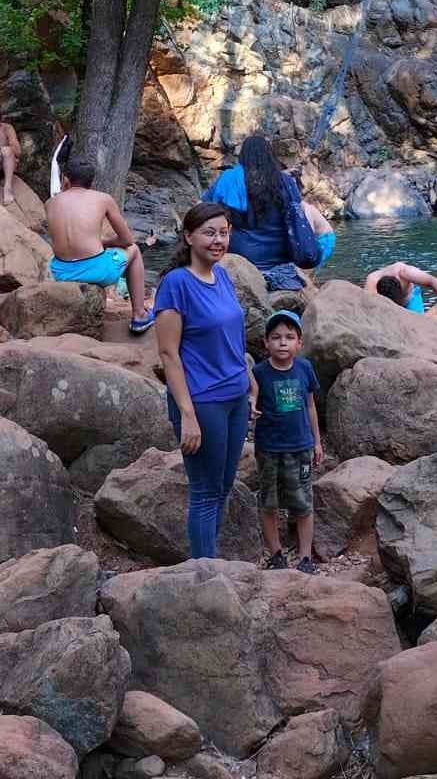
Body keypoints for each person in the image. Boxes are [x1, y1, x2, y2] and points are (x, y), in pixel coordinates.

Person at [153, 202, 256, 559]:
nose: (218, 240)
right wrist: (188, 415)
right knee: (205, 491)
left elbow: (232, 338)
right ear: (189, 236)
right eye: (209, 232)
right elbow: (169, 354)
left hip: (234, 396)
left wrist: (249, 383)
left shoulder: (222, 275)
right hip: (202, 400)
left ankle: (209, 559)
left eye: (224, 233)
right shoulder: (176, 284)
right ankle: (204, 571)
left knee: (225, 485)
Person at [46, 155, 153, 332]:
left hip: (61, 272)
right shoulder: (103, 198)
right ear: (92, 182)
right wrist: (106, 242)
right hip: (96, 271)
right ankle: (139, 315)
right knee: (134, 250)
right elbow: (127, 240)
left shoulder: (50, 203)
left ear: (66, 180)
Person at [252, 310, 323, 573]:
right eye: (276, 337)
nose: (283, 342)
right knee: (268, 502)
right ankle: (277, 554)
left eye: (289, 337)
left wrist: (317, 442)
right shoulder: (259, 372)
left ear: (299, 343)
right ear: (266, 343)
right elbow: (251, 402)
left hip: (300, 447)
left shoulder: (304, 368)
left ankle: (305, 558)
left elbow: (311, 406)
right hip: (269, 448)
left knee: (303, 502)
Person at [203, 135, 317, 288]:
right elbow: (298, 212)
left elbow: (201, 208)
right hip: (279, 257)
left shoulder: (229, 179)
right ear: (270, 155)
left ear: (242, 155)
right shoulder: (285, 182)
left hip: (240, 256)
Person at [367, 261, 437, 313]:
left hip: (411, 298)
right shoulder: (372, 281)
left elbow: (434, 281)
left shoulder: (404, 272)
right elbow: (367, 305)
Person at [302, 199, 336, 269]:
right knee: (311, 268)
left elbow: (309, 232)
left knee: (313, 266)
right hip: (322, 238)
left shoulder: (307, 209)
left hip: (326, 238)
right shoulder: (304, 208)